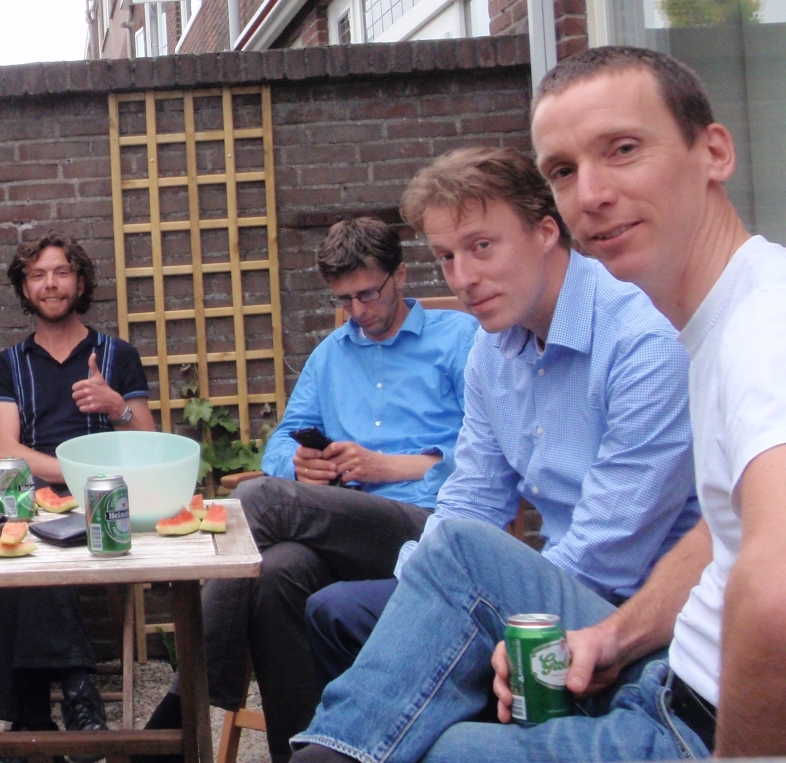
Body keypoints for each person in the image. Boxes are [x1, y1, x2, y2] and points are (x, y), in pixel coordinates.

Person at [291, 46, 775, 762]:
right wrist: (431, 591)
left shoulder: (712, 333)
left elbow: (663, 564)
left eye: (623, 149)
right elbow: (721, 534)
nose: (592, 193)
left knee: (370, 578)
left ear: (713, 152)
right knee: (324, 590)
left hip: (639, 630)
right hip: (636, 645)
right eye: (564, 171)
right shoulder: (515, 346)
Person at [300, 146, 700, 689]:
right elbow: (474, 496)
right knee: (336, 612)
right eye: (446, 257)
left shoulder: (642, 343)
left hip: (633, 617)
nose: (462, 278)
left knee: (367, 619)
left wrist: (454, 608)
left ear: (545, 232)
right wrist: (421, 585)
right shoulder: (493, 349)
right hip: (547, 577)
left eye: (481, 247)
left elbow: (606, 551)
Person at [141, 217, 478, 761]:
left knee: (256, 500)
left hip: (428, 526)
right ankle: (298, 755)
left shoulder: (459, 339)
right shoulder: (330, 355)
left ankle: (183, 702)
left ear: (400, 275)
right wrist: (301, 468)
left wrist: (388, 466)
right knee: (278, 572)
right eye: (343, 300)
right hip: (342, 529)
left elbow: (491, 453)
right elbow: (280, 444)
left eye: (368, 294)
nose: (357, 311)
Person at [0, 232, 155, 756]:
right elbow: (6, 450)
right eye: (37, 275)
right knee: (25, 534)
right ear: (24, 288)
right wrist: (71, 475)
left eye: (61, 272)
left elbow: (147, 444)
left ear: (80, 282)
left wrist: (115, 405)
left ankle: (28, 717)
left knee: (29, 540)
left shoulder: (117, 355)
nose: (50, 284)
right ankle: (79, 693)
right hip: (38, 497)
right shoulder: (8, 364)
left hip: (106, 500)